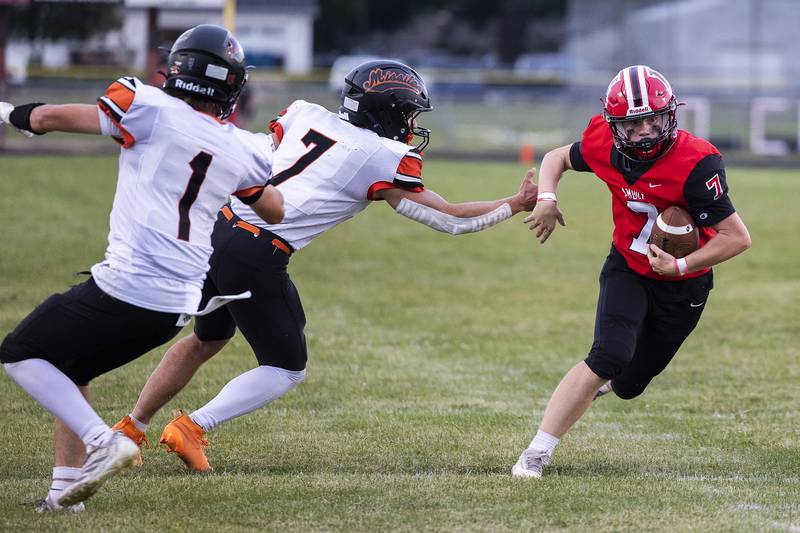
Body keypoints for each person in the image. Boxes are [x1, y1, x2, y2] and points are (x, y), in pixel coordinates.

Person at [108, 59, 539, 473]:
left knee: (208, 338)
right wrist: (514, 205)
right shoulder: (380, 153)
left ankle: (130, 429)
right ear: (386, 112)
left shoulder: (303, 114)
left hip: (217, 225)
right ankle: (192, 427)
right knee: (285, 367)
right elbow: (447, 217)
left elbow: (266, 158)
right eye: (407, 114)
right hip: (258, 249)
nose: (410, 125)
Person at [0, 24, 284, 510]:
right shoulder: (241, 147)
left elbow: (46, 116)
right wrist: (227, 175)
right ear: (232, 85)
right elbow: (274, 209)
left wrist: (9, 112)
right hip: (176, 305)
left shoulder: (148, 106)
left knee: (20, 352)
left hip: (130, 284)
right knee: (71, 368)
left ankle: (102, 440)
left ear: (177, 67)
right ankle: (66, 496)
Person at [511, 65, 752, 478]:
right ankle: (536, 452)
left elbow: (736, 237)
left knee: (631, 383)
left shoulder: (697, 162)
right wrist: (547, 197)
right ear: (614, 124)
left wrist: (681, 263)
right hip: (629, 264)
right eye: (633, 123)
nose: (644, 131)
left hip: (684, 281)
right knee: (607, 355)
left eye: (653, 119)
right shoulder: (604, 142)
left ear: (669, 115)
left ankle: (607, 384)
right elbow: (555, 158)